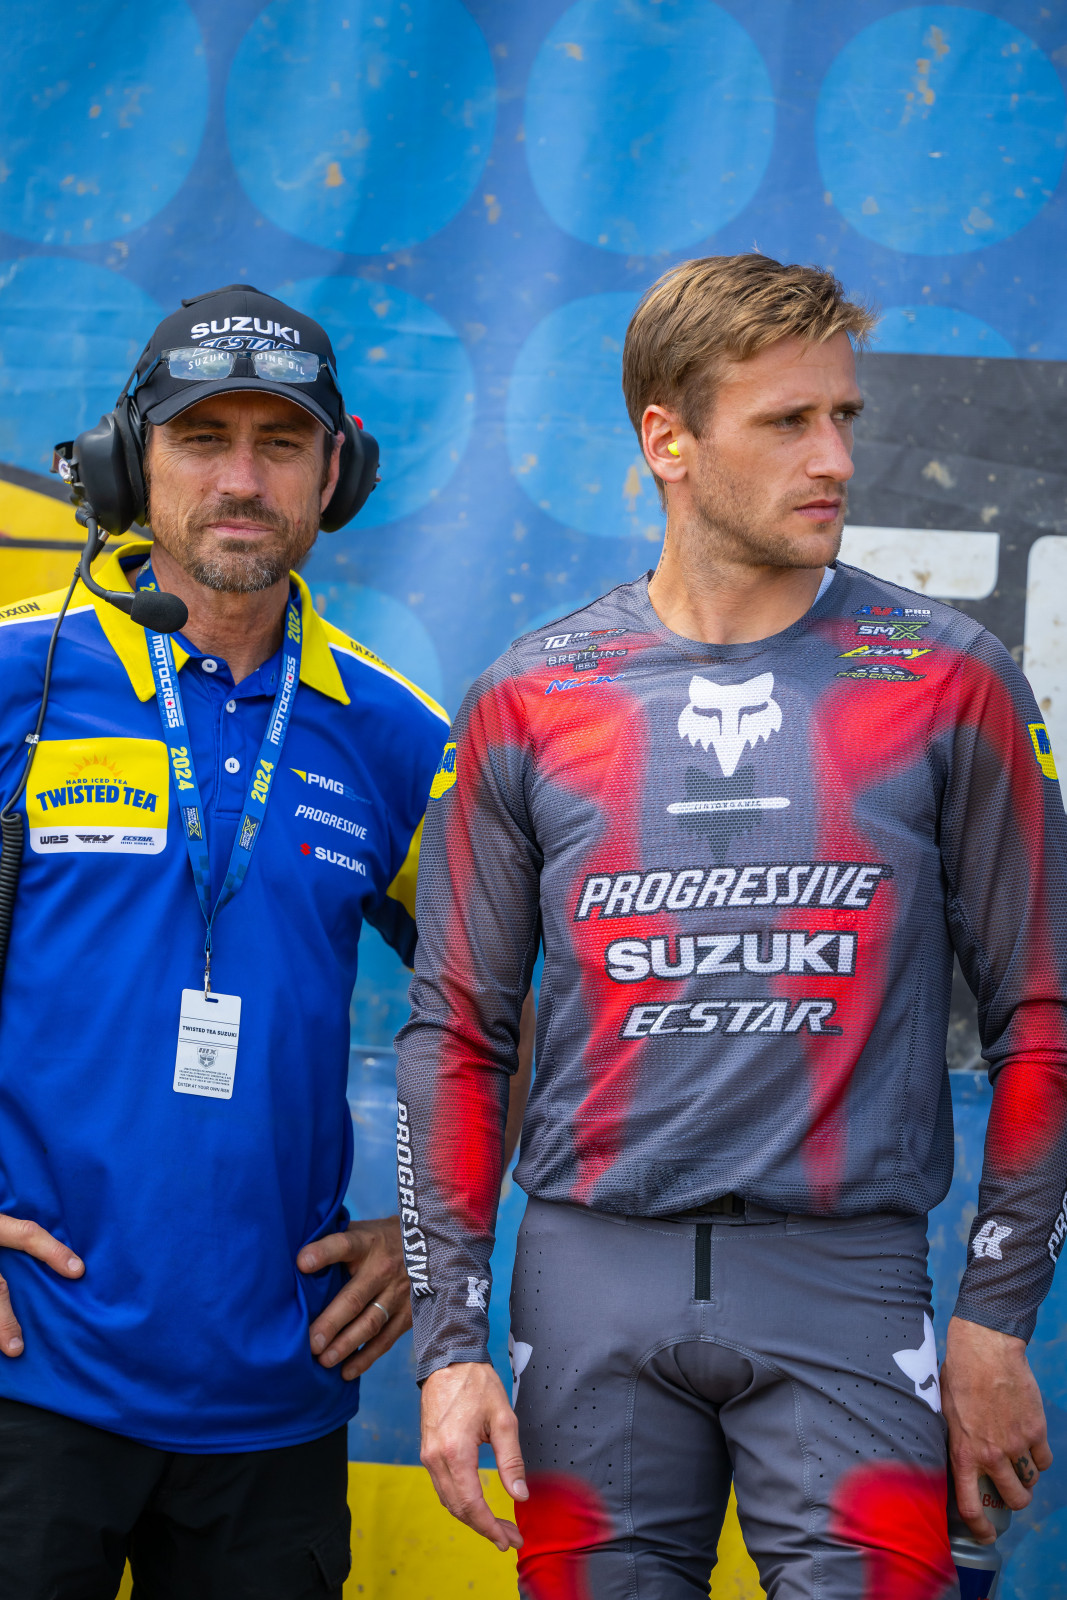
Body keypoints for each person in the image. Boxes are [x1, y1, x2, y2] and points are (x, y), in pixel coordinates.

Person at [395, 255, 1067, 1597]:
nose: (834, 458)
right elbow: (458, 1032)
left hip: (848, 1283)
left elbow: (1044, 1017)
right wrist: (450, 1341)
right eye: (786, 422)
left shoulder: (949, 682)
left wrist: (995, 1322)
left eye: (845, 419)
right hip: (586, 1290)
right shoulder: (532, 698)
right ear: (668, 440)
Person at [0, 284, 530, 1600]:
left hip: (277, 1406)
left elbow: (501, 1015)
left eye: (279, 444)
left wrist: (425, 1237)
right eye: (200, 439)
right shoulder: (20, 681)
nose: (240, 480)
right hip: (27, 1381)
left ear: (335, 473)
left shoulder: (397, 740)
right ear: (132, 463)